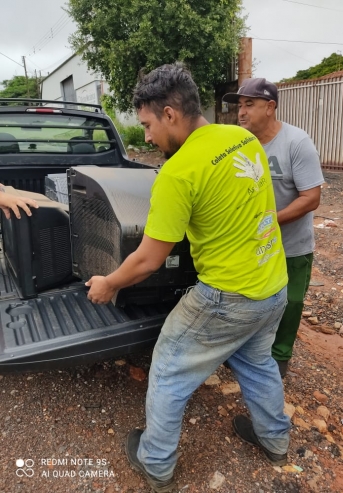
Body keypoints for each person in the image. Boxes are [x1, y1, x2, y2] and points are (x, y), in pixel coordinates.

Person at [86, 63, 290, 493]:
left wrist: (108, 282)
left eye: (146, 124)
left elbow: (147, 261)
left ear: (170, 114)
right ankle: (275, 441)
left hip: (228, 297)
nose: (146, 136)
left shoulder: (178, 174)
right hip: (272, 282)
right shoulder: (241, 138)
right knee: (257, 364)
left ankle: (156, 465)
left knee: (168, 370)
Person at [223, 78, 324, 378]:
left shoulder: (296, 142)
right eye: (239, 106)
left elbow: (311, 198)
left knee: (290, 302)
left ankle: (279, 357)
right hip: (251, 245)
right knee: (250, 298)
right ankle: (246, 350)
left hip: (292, 245)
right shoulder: (239, 143)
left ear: (270, 107)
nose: (241, 112)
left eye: (249, 105)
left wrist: (268, 222)